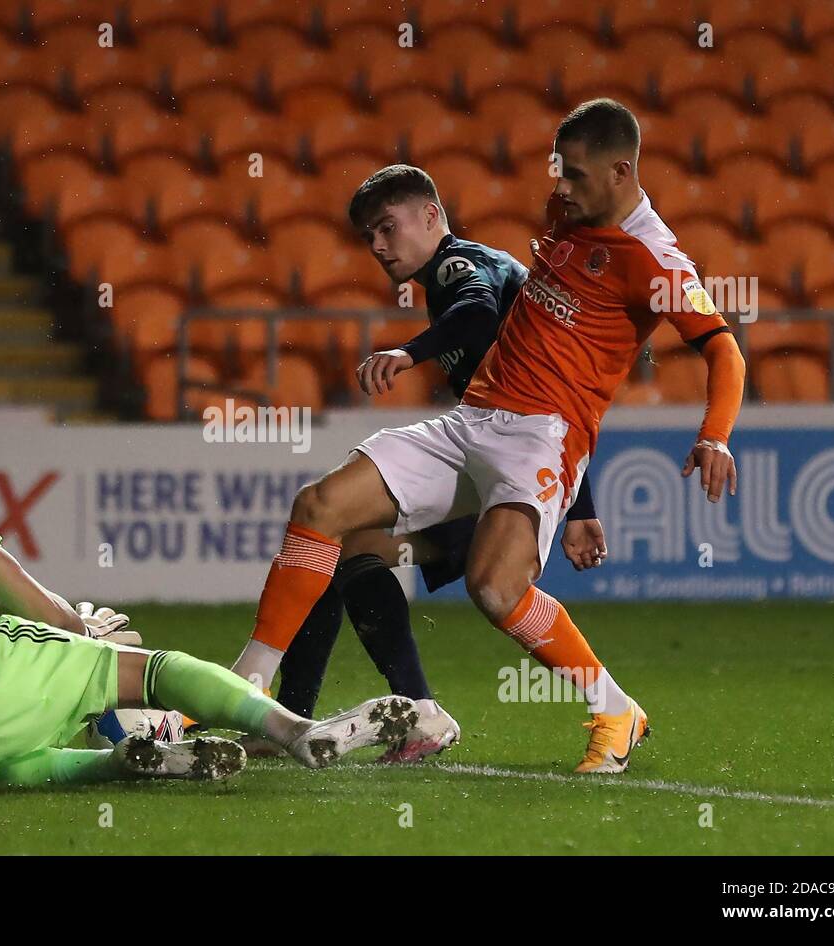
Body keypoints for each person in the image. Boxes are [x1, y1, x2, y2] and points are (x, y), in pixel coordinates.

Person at [230, 99, 746, 774]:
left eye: (577, 175)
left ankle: (614, 709)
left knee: (496, 589)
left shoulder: (656, 259)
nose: (560, 187)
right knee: (320, 508)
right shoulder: (568, 212)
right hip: (471, 419)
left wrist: (715, 435)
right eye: (558, 172)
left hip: (543, 438)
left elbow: (724, 350)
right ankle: (247, 689)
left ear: (623, 171)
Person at [0, 434, 421, 789]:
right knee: (151, 667)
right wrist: (84, 631)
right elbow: (36, 604)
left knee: (10, 760)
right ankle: (293, 731)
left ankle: (120, 762)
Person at [267, 164, 610, 764]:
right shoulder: (476, 273)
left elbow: (479, 319)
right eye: (368, 236)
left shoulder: (456, 268)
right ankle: (317, 714)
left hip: (506, 472)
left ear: (431, 216)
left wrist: (408, 351)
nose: (377, 246)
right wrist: (582, 505)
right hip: (507, 464)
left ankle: (375, 708)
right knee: (340, 541)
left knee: (366, 546)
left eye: (387, 228)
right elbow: (555, 403)